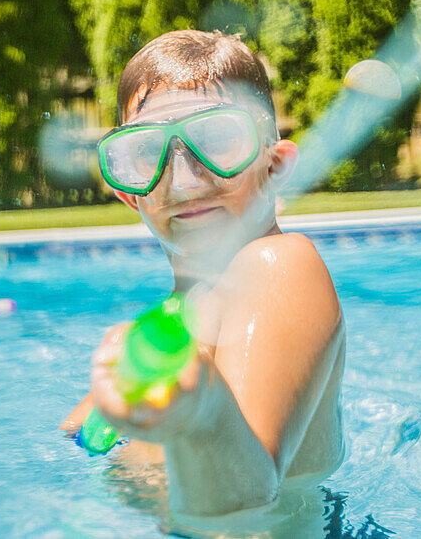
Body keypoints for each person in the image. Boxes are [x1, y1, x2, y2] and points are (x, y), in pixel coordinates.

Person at [61, 30, 346, 531]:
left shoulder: (280, 265)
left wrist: (205, 412)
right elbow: (84, 436)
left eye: (217, 141)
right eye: (149, 154)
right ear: (131, 195)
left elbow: (247, 506)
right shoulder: (176, 318)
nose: (185, 180)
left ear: (276, 166)